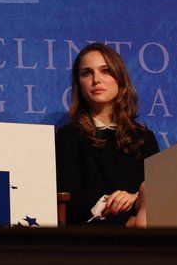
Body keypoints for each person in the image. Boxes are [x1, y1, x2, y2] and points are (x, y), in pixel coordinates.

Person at [56, 43, 159, 226]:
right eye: (87, 73)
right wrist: (110, 202)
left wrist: (135, 197)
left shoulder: (144, 137)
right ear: (79, 84)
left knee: (151, 189)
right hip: (94, 226)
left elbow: (159, 192)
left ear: (119, 79)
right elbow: (69, 198)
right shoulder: (69, 136)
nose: (96, 79)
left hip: (142, 218)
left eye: (105, 71)